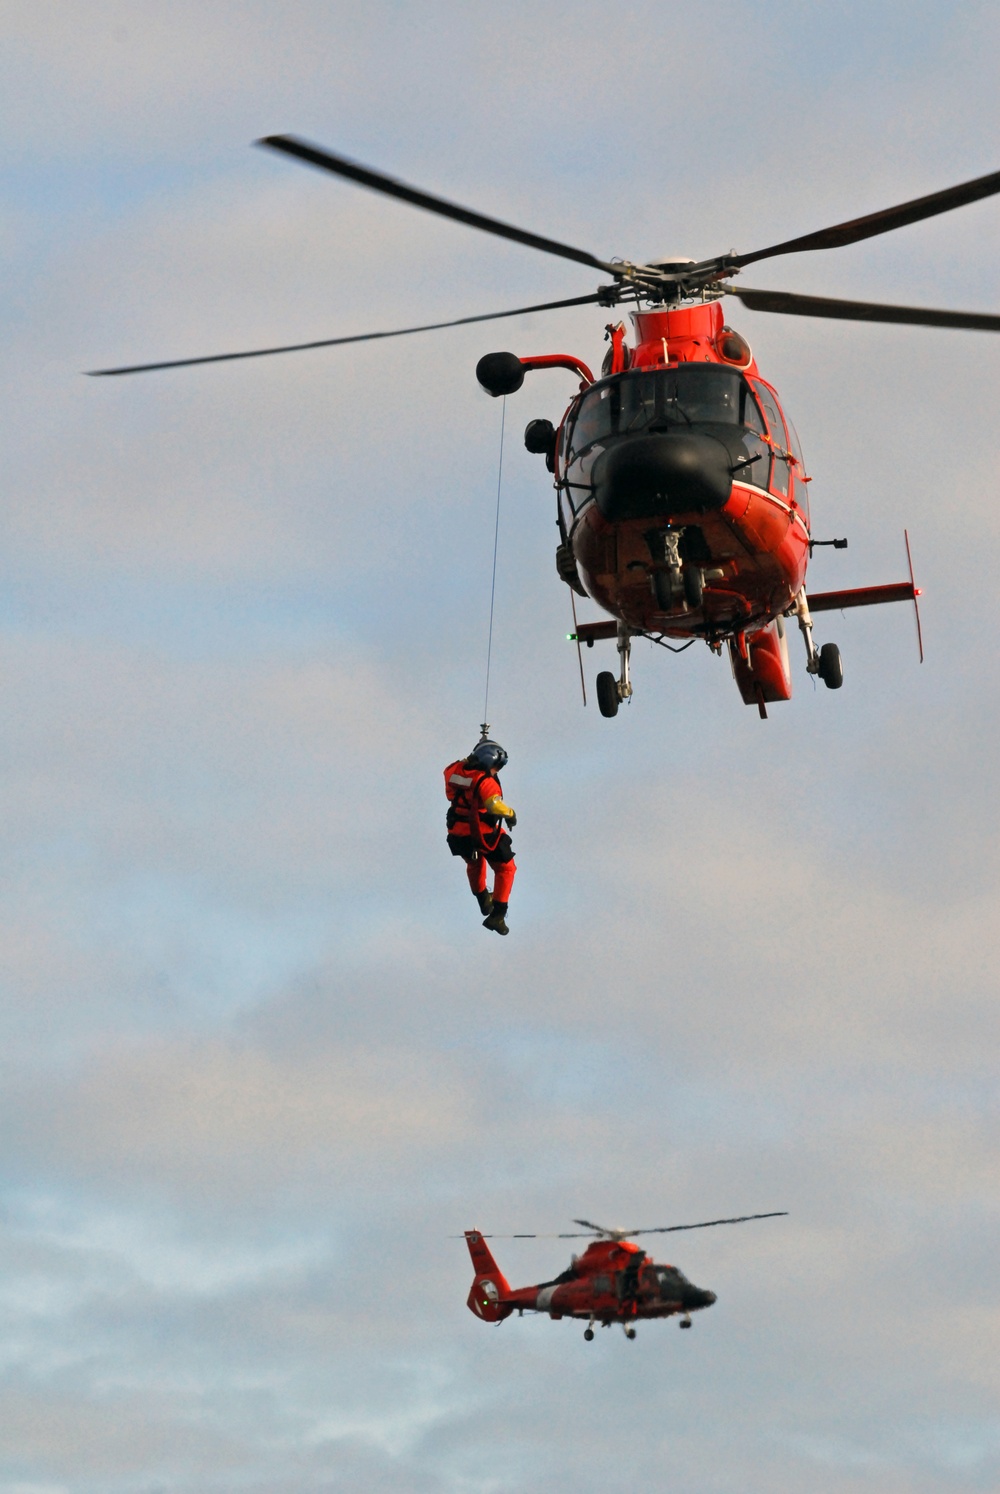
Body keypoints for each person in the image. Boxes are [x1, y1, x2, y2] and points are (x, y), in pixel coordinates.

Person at [443, 737, 517, 935]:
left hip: (457, 834)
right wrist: (510, 814)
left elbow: (455, 768)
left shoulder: (454, 771)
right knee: (506, 869)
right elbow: (494, 805)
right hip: (482, 834)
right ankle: (498, 915)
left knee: (474, 863)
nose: (497, 771)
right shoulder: (486, 782)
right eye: (496, 767)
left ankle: (483, 899)